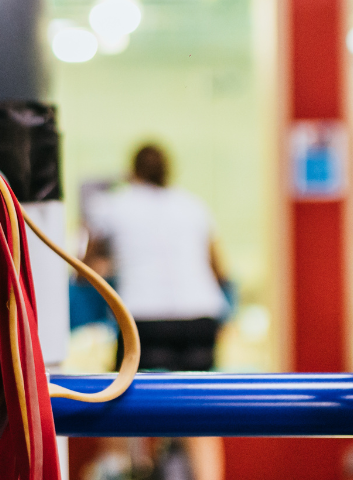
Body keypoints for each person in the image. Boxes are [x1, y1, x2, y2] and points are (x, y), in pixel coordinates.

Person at [83, 143, 226, 480]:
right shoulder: (193, 205)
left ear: (131, 173)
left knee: (118, 402)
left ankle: (121, 466)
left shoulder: (112, 205)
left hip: (143, 321)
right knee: (200, 417)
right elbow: (219, 269)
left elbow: (86, 267)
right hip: (200, 317)